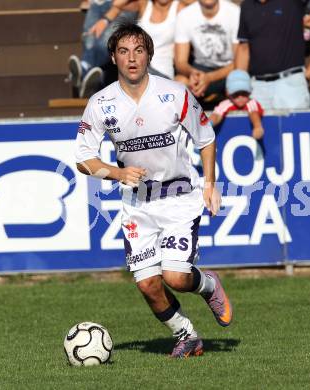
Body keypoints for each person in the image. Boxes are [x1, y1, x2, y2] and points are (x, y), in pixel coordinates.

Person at [75, 22, 232, 358]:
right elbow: (82, 159)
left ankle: (207, 284)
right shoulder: (101, 103)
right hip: (137, 205)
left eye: (139, 50)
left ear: (149, 55)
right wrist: (117, 173)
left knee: (175, 277)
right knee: (147, 284)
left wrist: (209, 183)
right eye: (123, 51)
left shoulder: (174, 93)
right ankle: (187, 335)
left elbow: (206, 139)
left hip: (177, 198)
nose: (132, 58)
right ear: (114, 58)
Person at [235, 0, 310, 110]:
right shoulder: (246, 5)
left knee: (295, 127)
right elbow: (243, 48)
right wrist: (238, 85)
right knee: (257, 127)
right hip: (256, 88)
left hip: (291, 84)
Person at [102, 0, 194, 80]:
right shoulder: (145, 4)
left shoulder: (179, 7)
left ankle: (101, 79)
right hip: (137, 67)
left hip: (161, 73)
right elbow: (117, 4)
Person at [174, 0, 240, 107]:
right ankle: (189, 121)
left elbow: (239, 61)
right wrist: (194, 74)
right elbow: (180, 62)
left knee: (236, 85)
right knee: (179, 83)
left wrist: (209, 78)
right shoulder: (184, 15)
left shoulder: (235, 12)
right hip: (200, 69)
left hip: (229, 70)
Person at [68, 0, 137, 98]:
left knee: (105, 42)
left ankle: (84, 72)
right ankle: (86, 74)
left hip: (127, 7)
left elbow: (117, 4)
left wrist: (106, 19)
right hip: (99, 3)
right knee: (89, 38)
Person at [209, 69, 264, 139]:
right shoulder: (226, 104)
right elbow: (216, 115)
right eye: (236, 94)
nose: (240, 97)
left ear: (250, 92)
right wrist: (208, 125)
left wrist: (257, 127)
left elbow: (254, 113)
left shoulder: (251, 102)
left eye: (244, 93)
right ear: (228, 93)